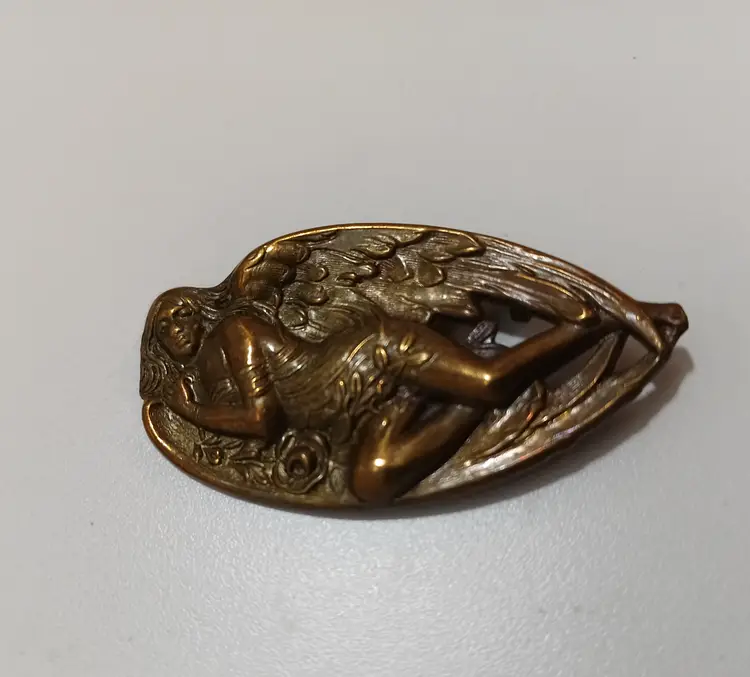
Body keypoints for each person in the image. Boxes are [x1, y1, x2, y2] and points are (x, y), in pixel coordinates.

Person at [141, 288, 687, 504]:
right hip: (356, 411)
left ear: (200, 310)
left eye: (181, 312)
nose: (176, 325)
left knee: (488, 380)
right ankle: (494, 397)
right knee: (372, 481)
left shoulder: (234, 330)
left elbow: (262, 419)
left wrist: (193, 412)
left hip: (369, 359)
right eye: (165, 326)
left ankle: (596, 321)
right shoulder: (207, 373)